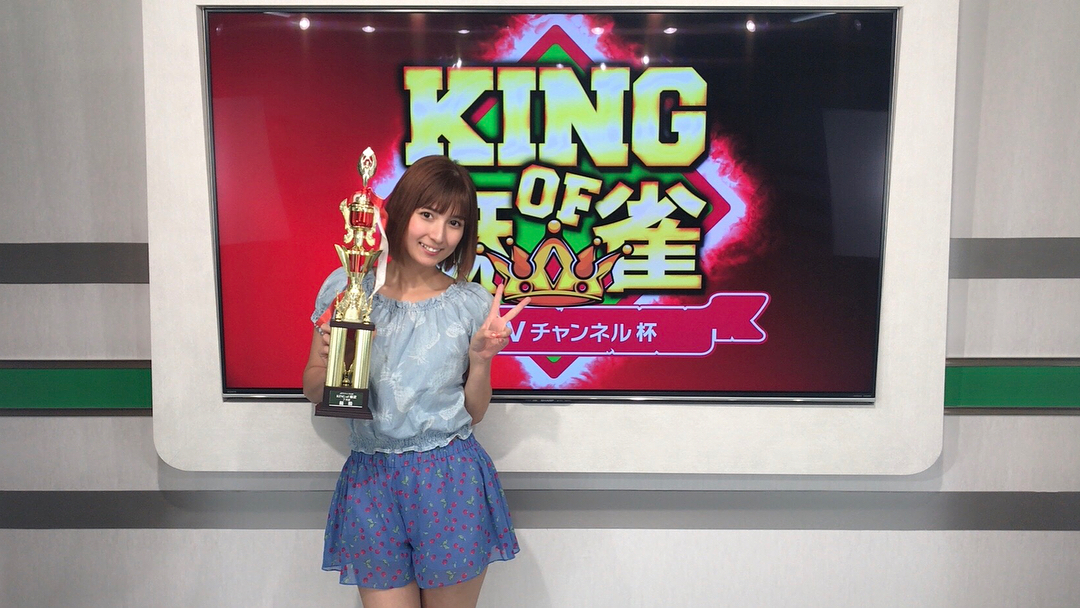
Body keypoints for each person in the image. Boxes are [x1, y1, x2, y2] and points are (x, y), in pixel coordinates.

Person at [303, 155, 529, 608]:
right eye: (428, 214)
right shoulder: (348, 287)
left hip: (451, 479)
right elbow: (312, 386)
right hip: (371, 478)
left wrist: (480, 361)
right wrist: (331, 364)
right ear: (401, 210)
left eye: (454, 223)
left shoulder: (469, 303)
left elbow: (474, 413)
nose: (438, 235)